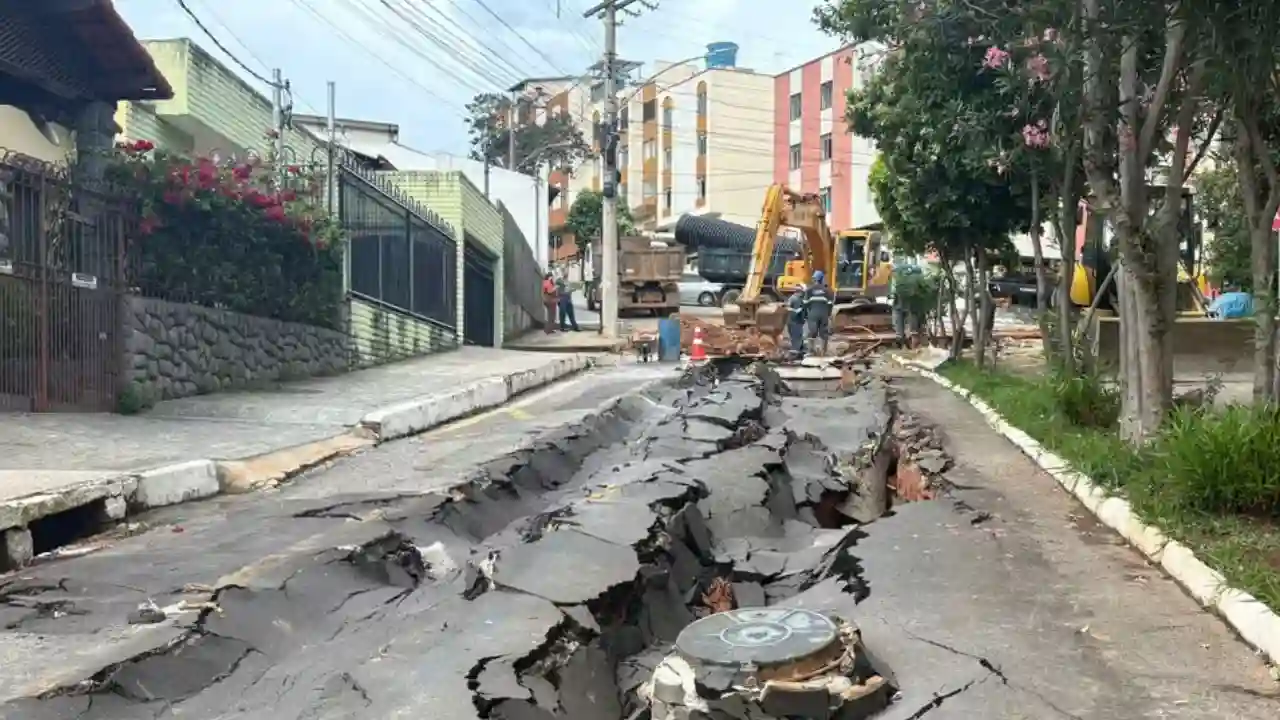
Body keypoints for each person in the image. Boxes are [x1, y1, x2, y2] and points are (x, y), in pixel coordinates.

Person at [803, 269, 834, 356]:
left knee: (812, 332)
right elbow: (830, 304)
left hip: (813, 314)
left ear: (814, 279)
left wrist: (806, 314)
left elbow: (805, 304)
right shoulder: (827, 290)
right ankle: (824, 351)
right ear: (822, 279)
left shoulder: (809, 290)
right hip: (823, 314)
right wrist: (828, 314)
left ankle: (811, 351)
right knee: (824, 333)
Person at [786, 289, 807, 359]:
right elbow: (787, 307)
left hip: (794, 322)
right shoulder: (794, 299)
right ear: (799, 293)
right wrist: (795, 310)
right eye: (802, 293)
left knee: (798, 337)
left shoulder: (794, 298)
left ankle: (801, 353)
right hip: (795, 322)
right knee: (796, 338)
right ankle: (794, 356)